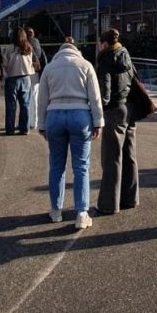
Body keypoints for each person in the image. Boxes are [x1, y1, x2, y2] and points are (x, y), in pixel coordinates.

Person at [37, 38, 104, 230]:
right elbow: (95, 97)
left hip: (54, 115)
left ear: (60, 51)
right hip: (80, 115)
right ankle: (82, 213)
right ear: (76, 50)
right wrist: (98, 122)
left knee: (57, 165)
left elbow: (42, 98)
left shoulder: (50, 67)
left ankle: (55, 210)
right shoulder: (85, 65)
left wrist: (41, 124)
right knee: (81, 166)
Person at [95, 28, 138, 214]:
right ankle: (130, 199)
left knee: (111, 158)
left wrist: (97, 111)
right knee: (129, 155)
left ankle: (109, 204)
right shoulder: (126, 55)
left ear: (104, 44)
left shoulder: (106, 60)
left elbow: (104, 94)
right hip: (130, 108)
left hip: (114, 110)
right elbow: (135, 79)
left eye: (99, 44)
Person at [2, 28, 36, 135]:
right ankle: (24, 128)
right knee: (25, 105)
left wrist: (5, 76)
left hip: (12, 78)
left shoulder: (9, 48)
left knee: (11, 106)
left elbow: (4, 64)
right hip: (26, 78)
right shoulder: (28, 47)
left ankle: (10, 129)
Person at [26, 27, 48, 131]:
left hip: (28, 73)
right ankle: (34, 122)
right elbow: (43, 59)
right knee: (35, 98)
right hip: (36, 73)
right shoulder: (37, 44)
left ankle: (29, 121)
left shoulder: (25, 44)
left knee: (28, 98)